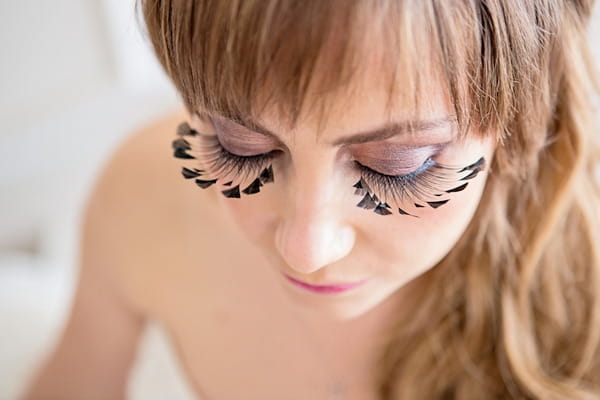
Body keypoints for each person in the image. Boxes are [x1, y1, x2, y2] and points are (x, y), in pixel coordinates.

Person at [22, 0, 600, 399]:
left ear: (523, 122)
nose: (306, 249)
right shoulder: (145, 197)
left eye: (396, 165)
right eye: (239, 144)